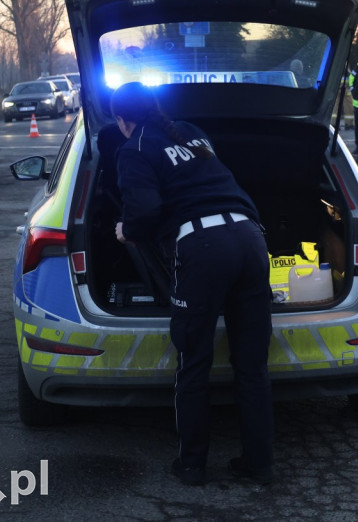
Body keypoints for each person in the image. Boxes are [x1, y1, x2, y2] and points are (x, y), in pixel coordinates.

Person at [111, 81, 274, 487]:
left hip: (203, 248)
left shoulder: (133, 149)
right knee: (252, 364)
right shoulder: (191, 132)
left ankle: (191, 465)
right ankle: (259, 463)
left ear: (120, 119)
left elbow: (145, 209)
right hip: (251, 238)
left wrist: (126, 230)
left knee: (193, 361)